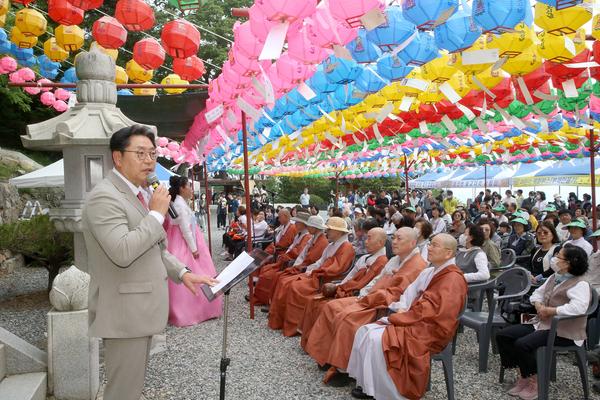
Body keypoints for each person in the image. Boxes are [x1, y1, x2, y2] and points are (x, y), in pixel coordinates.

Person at [82, 125, 218, 400]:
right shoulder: (104, 197)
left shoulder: (136, 192)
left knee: (132, 387)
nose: (149, 160)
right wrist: (156, 215)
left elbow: (153, 247)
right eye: (140, 153)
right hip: (125, 313)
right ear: (117, 158)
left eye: (152, 154)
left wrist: (182, 272)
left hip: (139, 310)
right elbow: (122, 250)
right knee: (122, 391)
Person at [347, 234, 468, 400]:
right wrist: (402, 309)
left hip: (430, 329)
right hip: (414, 319)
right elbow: (409, 292)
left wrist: (404, 316)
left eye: (435, 245)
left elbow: (439, 312)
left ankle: (388, 393)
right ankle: (369, 385)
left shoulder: (453, 278)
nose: (429, 248)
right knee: (365, 330)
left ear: (448, 253)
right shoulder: (429, 271)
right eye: (430, 244)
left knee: (377, 339)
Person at [302, 228, 427, 375]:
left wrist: (368, 297)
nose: (393, 242)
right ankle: (326, 355)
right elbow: (377, 280)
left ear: (413, 243)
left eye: (399, 239)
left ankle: (341, 368)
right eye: (393, 238)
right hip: (370, 297)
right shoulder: (395, 259)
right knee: (331, 307)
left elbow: (397, 294)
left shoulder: (416, 264)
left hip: (382, 305)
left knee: (348, 318)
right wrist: (364, 293)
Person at [496, 245, 591, 400]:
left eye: (559, 256)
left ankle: (536, 382)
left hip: (564, 330)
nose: (555, 259)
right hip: (543, 323)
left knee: (523, 344)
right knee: (503, 336)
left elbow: (579, 307)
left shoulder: (580, 283)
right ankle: (524, 376)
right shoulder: (556, 277)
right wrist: (539, 305)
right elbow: (536, 294)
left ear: (568, 263)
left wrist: (552, 311)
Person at [268, 217, 355, 336]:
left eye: (329, 230)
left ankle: (294, 325)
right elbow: (320, 262)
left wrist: (315, 271)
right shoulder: (332, 245)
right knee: (285, 281)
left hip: (326, 278)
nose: (326, 232)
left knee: (295, 286)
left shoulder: (346, 247)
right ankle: (280, 319)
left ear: (339, 232)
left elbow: (336, 269)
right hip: (317, 274)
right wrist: (310, 270)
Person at [166, 175, 222, 327]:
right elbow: (185, 230)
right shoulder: (179, 204)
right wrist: (194, 248)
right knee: (194, 271)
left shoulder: (178, 202)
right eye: (189, 186)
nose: (191, 189)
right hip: (184, 243)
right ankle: (192, 309)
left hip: (180, 241)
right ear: (182, 188)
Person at [253, 212, 312, 305]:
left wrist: (285, 256)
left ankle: (266, 299)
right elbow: (292, 247)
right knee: (266, 269)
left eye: (298, 222)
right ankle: (261, 297)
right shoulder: (300, 234)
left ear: (304, 224)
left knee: (270, 274)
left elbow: (298, 252)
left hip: (290, 261)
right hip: (284, 256)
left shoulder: (306, 236)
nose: (295, 224)